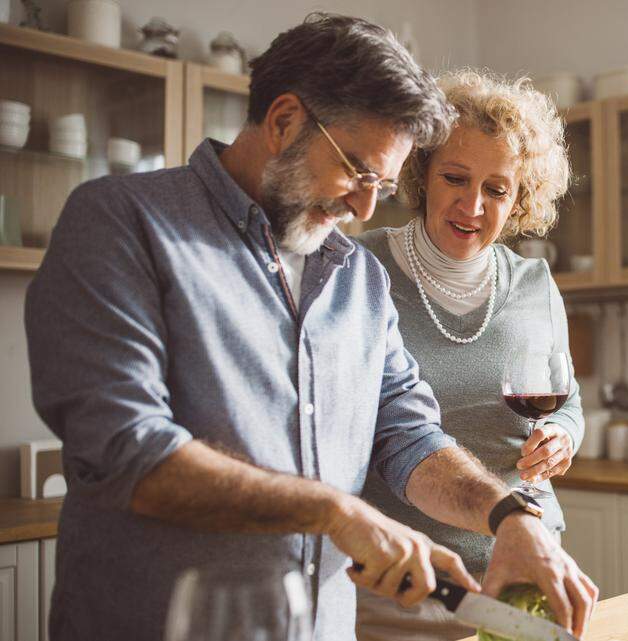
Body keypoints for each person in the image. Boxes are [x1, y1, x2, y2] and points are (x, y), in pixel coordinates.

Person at [24, 15, 594, 641]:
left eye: (380, 182)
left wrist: (509, 515)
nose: (366, 206)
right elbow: (124, 449)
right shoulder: (122, 224)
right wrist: (335, 512)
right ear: (284, 121)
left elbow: (406, 437)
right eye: (357, 169)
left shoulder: (356, 280)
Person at [355, 70, 590, 641]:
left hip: (525, 566)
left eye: (497, 189)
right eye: (455, 178)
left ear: (520, 198)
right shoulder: (359, 269)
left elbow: (568, 400)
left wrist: (563, 434)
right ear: (421, 174)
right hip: (402, 578)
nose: (473, 205)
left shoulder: (535, 282)